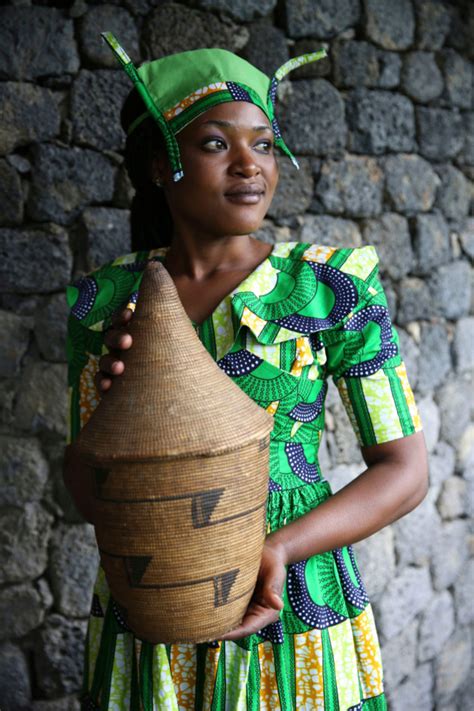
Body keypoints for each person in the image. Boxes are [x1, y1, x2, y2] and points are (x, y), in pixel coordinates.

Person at [63, 33, 428, 710]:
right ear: (157, 164)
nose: (249, 165)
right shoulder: (107, 302)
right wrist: (119, 418)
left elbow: (405, 469)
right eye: (214, 144)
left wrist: (279, 547)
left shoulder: (329, 286)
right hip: (151, 596)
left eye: (263, 144)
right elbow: (86, 496)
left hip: (290, 600)